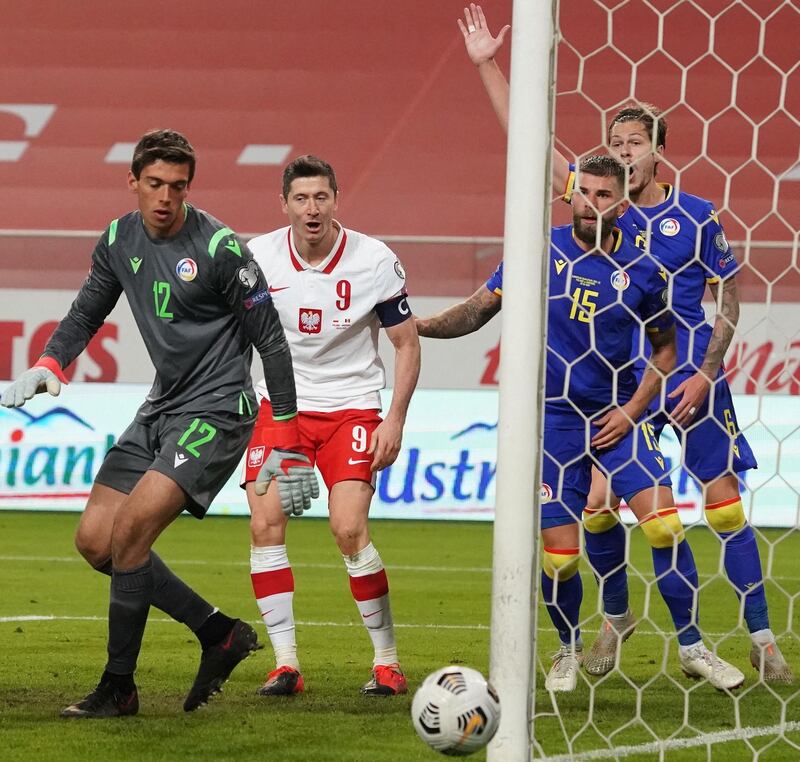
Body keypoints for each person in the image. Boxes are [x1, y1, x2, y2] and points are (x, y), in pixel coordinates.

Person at [457, 4, 792, 685]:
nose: (625, 150)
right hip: (613, 384)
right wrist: (487, 62)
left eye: (635, 141)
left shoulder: (694, 216)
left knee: (723, 504)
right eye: (616, 140)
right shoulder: (597, 206)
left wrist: (705, 370)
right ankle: (613, 621)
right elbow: (527, 140)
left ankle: (762, 638)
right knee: (599, 508)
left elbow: (729, 295)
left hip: (689, 377)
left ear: (657, 149)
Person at [0, 129, 319, 718]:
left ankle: (118, 688)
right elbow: (84, 313)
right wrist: (50, 361)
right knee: (96, 541)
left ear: (189, 188)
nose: (165, 197)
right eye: (154, 184)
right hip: (161, 406)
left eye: (177, 186)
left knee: (130, 536)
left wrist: (288, 438)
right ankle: (218, 632)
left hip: (220, 411)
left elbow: (272, 343)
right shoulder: (119, 239)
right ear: (133, 183)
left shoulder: (222, 249)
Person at [418, 154, 744, 692]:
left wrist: (632, 411)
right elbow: (478, 311)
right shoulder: (536, 251)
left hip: (616, 415)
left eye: (603, 194)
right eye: (583, 192)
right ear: (570, 195)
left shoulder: (645, 268)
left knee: (664, 524)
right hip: (552, 420)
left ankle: (691, 646)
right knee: (563, 560)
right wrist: (416, 326)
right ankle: (566, 648)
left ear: (621, 202)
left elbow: (664, 353)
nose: (591, 203)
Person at [243, 155, 420, 697]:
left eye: (321, 197)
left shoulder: (374, 259)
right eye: (301, 198)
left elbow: (406, 342)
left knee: (348, 529)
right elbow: (231, 333)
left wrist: (394, 418)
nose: (312, 209)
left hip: (352, 408)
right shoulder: (258, 257)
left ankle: (387, 662)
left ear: (336, 201)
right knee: (265, 525)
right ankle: (286, 665)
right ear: (285, 205)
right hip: (280, 408)